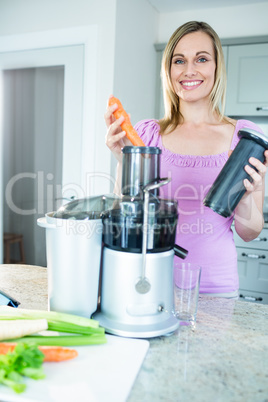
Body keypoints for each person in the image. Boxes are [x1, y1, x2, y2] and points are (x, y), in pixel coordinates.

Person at [104, 21, 268, 298]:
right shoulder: (146, 134)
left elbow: (249, 232)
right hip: (149, 282)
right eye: (179, 60)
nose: (189, 70)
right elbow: (127, 217)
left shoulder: (245, 138)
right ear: (168, 70)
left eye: (201, 59)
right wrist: (123, 160)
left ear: (217, 67)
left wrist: (247, 195)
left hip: (216, 288)